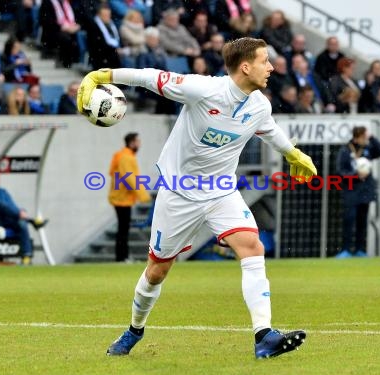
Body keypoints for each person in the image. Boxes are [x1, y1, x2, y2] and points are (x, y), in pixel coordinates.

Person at [77, 37, 317, 358]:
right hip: (179, 192)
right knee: (157, 271)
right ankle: (135, 330)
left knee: (251, 246)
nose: (271, 67)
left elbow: (268, 129)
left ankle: (264, 336)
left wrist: (292, 153)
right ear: (245, 67)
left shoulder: (259, 104)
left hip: (222, 191)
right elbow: (149, 77)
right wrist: (101, 76)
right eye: (265, 61)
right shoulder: (202, 89)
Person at [0, 168, 47, 265]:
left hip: (7, 220)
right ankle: (32, 221)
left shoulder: (3, 192)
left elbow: (13, 207)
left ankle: (26, 256)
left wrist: (21, 211)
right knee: (1, 206)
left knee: (21, 223)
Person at [336, 126, 380, 258]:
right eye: (364, 137)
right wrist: (355, 175)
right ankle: (345, 249)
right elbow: (340, 171)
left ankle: (360, 249)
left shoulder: (368, 149)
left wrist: (372, 137)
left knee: (362, 221)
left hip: (365, 191)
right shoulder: (345, 151)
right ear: (357, 137)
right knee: (349, 220)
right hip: (351, 191)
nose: (366, 140)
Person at [108, 133, 151, 262]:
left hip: (122, 198)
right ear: (132, 142)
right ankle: (122, 257)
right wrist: (143, 195)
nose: (139, 144)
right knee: (123, 229)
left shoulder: (124, 155)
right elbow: (129, 177)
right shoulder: (126, 157)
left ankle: (123, 257)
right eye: (138, 141)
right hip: (122, 199)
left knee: (123, 228)